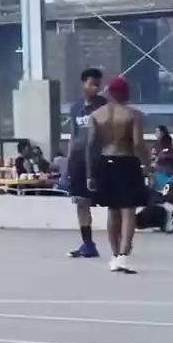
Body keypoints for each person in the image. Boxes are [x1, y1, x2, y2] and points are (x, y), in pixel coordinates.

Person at [89, 76, 145, 273]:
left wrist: (90, 173)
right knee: (128, 210)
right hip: (127, 160)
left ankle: (114, 254)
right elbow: (138, 144)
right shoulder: (133, 115)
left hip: (105, 161)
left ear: (109, 93)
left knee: (112, 210)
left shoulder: (97, 115)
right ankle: (123, 255)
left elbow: (92, 145)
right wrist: (147, 165)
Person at [64, 67, 107, 258]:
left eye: (98, 84)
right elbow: (73, 136)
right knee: (82, 203)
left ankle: (120, 243)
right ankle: (88, 244)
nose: (96, 88)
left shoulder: (104, 106)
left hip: (98, 159)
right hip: (79, 160)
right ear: (84, 84)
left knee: (110, 201)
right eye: (92, 84)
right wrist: (68, 161)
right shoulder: (76, 108)